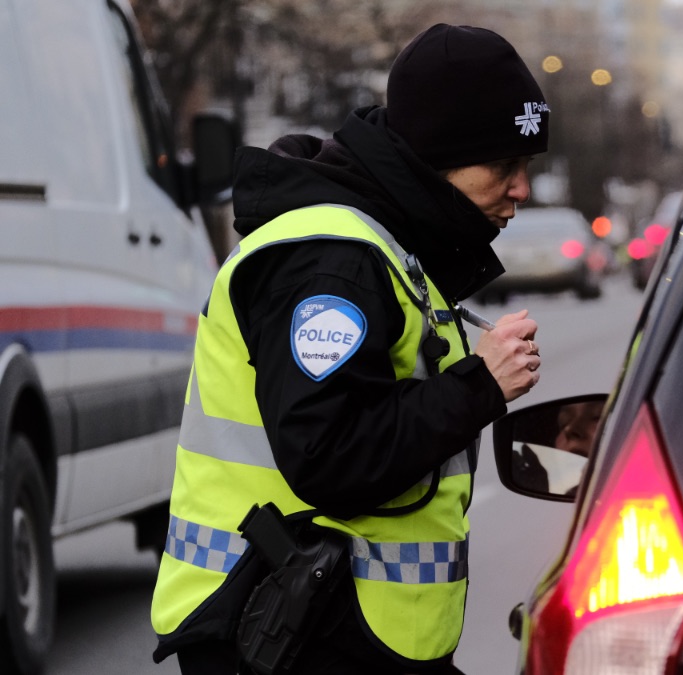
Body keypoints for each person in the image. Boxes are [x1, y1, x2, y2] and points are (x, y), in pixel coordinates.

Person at [149, 24, 550, 675]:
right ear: (436, 159)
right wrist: (479, 385)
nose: (521, 189)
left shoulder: (378, 244)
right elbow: (328, 455)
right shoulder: (330, 260)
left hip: (333, 629)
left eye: (526, 166)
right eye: (503, 166)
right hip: (288, 632)